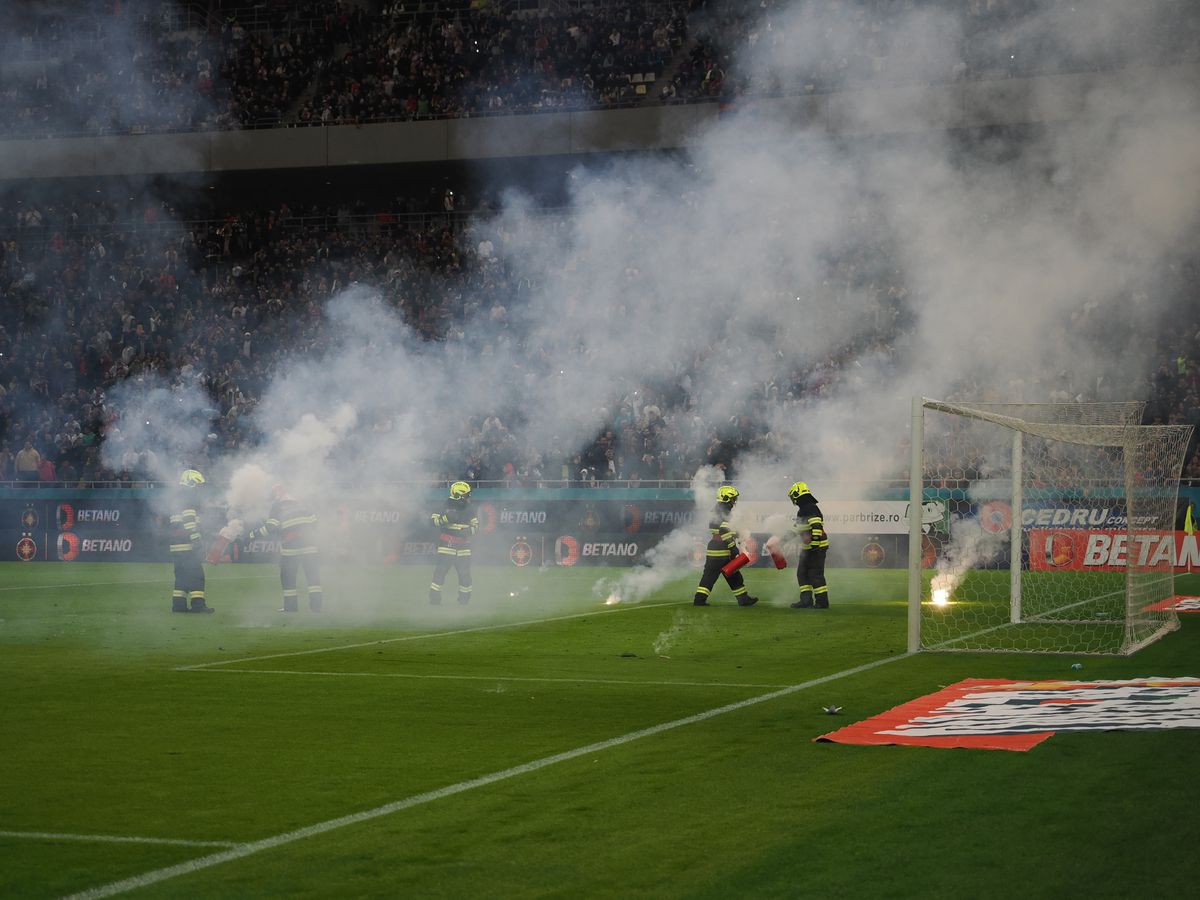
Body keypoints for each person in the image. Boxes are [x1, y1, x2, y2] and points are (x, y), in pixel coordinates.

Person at [246, 483, 323, 613]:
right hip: (310, 545)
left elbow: (271, 527)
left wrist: (251, 536)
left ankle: (291, 608)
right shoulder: (302, 503)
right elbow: (315, 522)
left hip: (291, 546)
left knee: (288, 577)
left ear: (277, 494)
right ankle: (316, 607)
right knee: (313, 577)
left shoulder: (278, 506)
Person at [694, 485, 759, 607]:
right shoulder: (725, 512)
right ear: (727, 498)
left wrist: (736, 532)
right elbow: (724, 530)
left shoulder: (716, 510)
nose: (735, 501)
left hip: (714, 547)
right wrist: (733, 547)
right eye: (733, 498)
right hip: (722, 549)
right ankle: (743, 599)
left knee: (712, 576)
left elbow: (720, 529)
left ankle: (699, 599)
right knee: (732, 575)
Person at [169, 469, 214, 613]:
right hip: (188, 546)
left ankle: (179, 606)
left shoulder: (177, 497)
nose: (199, 489)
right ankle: (198, 606)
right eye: (198, 485)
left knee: (181, 577)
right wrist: (197, 540)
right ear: (190, 483)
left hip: (176, 547)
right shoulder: (189, 497)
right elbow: (189, 521)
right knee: (197, 576)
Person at [429, 481, 478, 605]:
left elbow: (476, 527)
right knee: (440, 573)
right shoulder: (443, 505)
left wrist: (468, 531)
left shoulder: (470, 509)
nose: (468, 498)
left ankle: (464, 600)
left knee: (465, 575)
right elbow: (432, 522)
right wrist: (446, 518)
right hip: (446, 545)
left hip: (464, 546)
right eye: (466, 495)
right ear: (458, 494)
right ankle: (434, 599)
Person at [788, 481, 830, 609]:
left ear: (797, 494)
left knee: (815, 574)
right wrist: (782, 539)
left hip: (816, 548)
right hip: (808, 548)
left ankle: (822, 602)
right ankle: (806, 600)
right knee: (802, 573)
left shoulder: (811, 508)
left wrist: (815, 546)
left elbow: (816, 526)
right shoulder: (803, 510)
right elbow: (797, 529)